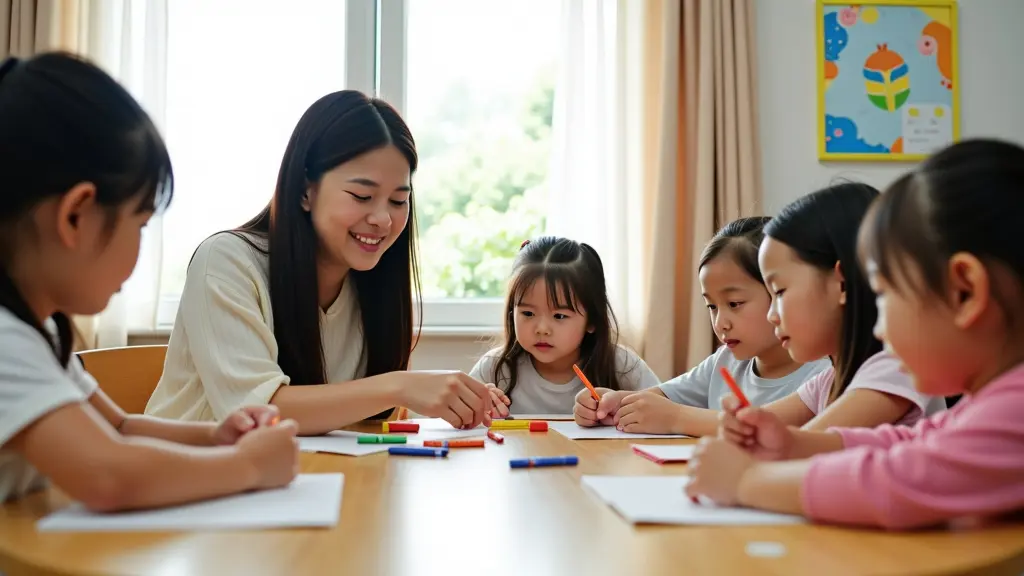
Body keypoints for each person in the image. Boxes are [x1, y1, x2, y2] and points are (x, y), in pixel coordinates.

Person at [0, 53, 298, 510]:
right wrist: (249, 468)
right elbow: (109, 475)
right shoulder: (7, 341)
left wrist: (218, 437)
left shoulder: (35, 336)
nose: (140, 246)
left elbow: (119, 428)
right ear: (75, 215)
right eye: (139, 224)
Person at [686, 139, 1024, 530]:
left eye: (885, 295)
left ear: (964, 292)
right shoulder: (988, 403)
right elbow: (912, 445)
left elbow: (897, 480)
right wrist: (794, 444)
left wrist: (746, 482)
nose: (879, 325)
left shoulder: (1014, 408)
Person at [145, 90, 491, 434]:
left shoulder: (373, 284)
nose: (383, 219)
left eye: (399, 200)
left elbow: (367, 426)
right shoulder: (226, 262)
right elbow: (256, 414)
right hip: (193, 479)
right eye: (362, 196)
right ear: (305, 191)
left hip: (304, 477)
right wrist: (400, 386)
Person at [574, 217, 829, 434]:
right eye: (712, 307)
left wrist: (674, 417)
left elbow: (772, 430)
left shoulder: (824, 372)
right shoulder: (725, 360)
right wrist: (613, 403)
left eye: (735, 303)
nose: (721, 323)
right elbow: (659, 400)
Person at [748, 182, 945, 431]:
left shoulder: (897, 368)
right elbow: (765, 428)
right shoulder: (827, 382)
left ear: (842, 285)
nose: (771, 316)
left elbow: (797, 447)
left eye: (779, 292)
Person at [471, 237, 659, 416]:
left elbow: (662, 412)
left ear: (592, 321)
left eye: (559, 316)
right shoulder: (495, 368)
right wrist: (477, 408)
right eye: (528, 314)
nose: (542, 329)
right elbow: (456, 424)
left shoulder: (622, 365)